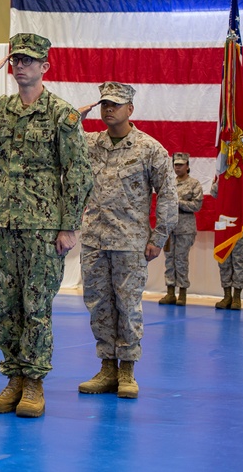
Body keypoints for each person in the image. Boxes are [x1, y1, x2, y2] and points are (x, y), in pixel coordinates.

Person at [0, 33, 93, 418]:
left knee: (36, 308)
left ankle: (34, 384)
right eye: (15, 59)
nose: (20, 65)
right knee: (5, 308)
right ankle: (13, 380)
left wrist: (70, 226)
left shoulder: (62, 113)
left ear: (45, 67)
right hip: (2, 224)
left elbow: (78, 174)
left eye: (29, 60)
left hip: (43, 228)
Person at [76, 82, 177, 399]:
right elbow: (60, 142)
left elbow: (168, 196)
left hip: (130, 244)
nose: (108, 109)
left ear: (130, 109)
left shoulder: (149, 149)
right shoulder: (91, 144)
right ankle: (107, 368)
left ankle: (128, 372)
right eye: (105, 104)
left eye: (115, 105)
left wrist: (159, 236)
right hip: (94, 241)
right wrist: (74, 119)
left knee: (128, 306)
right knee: (99, 306)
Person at [210, 176, 243, 310]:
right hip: (225, 224)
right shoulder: (223, 179)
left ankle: (237, 297)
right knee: (223, 260)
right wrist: (219, 179)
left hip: (242, 227)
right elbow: (214, 193)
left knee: (238, 261)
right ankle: (227, 295)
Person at [160, 152, 203, 306]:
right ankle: (170, 292)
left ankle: (182, 293)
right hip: (170, 228)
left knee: (181, 260)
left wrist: (178, 202)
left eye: (180, 164)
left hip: (185, 228)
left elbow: (197, 205)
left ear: (187, 166)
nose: (177, 167)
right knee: (169, 260)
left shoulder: (194, 184)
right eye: (175, 164)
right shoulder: (169, 183)